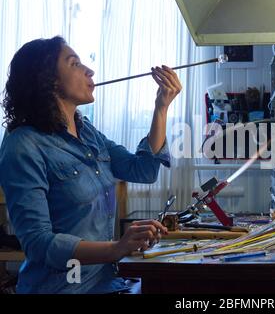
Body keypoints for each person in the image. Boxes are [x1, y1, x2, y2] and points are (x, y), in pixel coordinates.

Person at [0, 36, 182, 294]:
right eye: (75, 64)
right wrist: (117, 248)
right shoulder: (23, 145)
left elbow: (142, 169)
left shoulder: (88, 133)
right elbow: (38, 243)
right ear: (47, 79)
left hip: (107, 283)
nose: (90, 70)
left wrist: (161, 108)